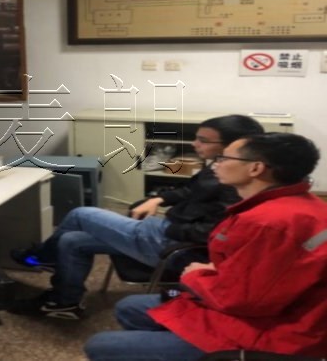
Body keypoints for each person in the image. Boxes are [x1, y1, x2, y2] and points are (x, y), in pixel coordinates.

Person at [84, 132, 327, 360]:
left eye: (224, 158)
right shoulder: (298, 204)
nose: (216, 164)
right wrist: (215, 270)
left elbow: (241, 301)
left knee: (99, 345)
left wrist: (196, 275)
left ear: (255, 168)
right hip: (271, 312)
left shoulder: (267, 222)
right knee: (129, 307)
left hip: (273, 333)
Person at [11, 115, 265, 319]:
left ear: (234, 146)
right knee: (72, 241)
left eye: (203, 140)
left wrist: (166, 229)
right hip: (167, 231)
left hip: (174, 245)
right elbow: (191, 191)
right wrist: (159, 199)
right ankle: (64, 302)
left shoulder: (238, 184)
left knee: (81, 214)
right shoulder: (220, 168)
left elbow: (212, 232)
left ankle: (43, 257)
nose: (195, 144)